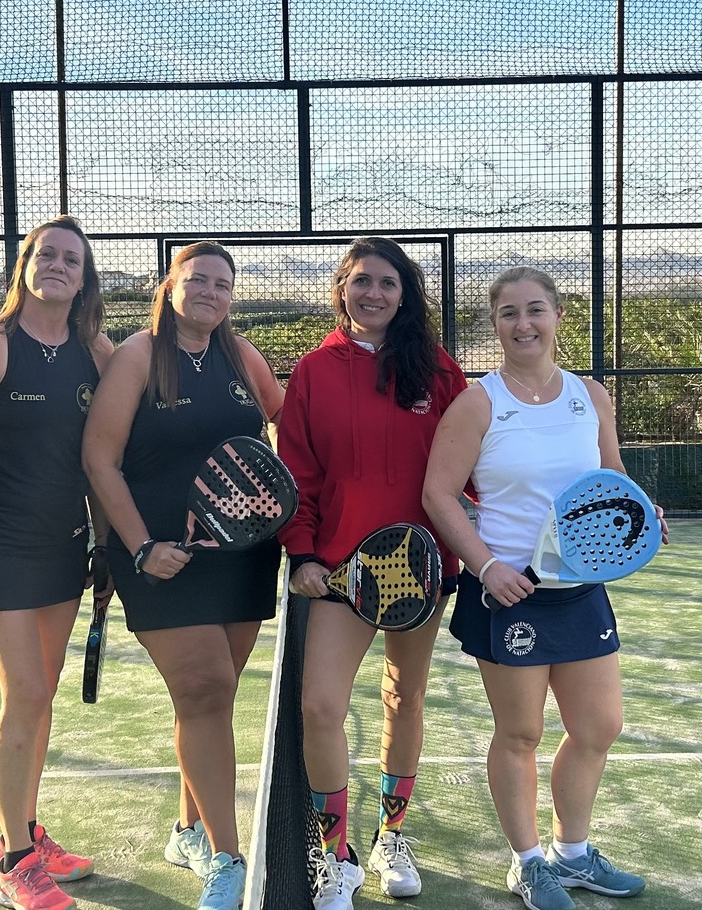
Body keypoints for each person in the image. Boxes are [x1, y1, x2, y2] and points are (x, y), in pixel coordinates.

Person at [421, 266, 664, 910]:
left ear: (557, 316)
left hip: (580, 589)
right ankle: (528, 864)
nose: (523, 324)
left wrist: (643, 514)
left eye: (535, 310)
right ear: (494, 323)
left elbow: (613, 476)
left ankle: (572, 854)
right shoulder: (478, 403)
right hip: (509, 594)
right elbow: (438, 494)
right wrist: (485, 567)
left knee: (599, 726)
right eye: (509, 313)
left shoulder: (591, 396)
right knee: (521, 733)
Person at [81, 240, 286, 910]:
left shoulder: (241, 355)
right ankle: (228, 859)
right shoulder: (138, 356)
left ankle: (186, 831)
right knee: (204, 690)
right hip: (160, 559)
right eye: (197, 279)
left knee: (209, 701)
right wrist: (141, 547)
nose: (210, 292)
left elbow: (292, 422)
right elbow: (100, 458)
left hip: (243, 556)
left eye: (222, 284)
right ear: (169, 287)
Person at [277, 238, 468, 908]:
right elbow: (298, 473)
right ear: (342, 290)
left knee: (403, 698)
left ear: (404, 294)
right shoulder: (313, 371)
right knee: (320, 706)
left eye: (387, 282)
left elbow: (472, 469)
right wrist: (303, 552)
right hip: (339, 573)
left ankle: (392, 836)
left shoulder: (439, 371)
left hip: (420, 569)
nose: (374, 293)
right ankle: (336, 857)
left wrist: (474, 543)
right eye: (361, 281)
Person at [0, 216, 116, 910]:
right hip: (0, 551)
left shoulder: (95, 351)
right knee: (27, 694)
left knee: (44, 695)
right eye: (47, 255)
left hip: (64, 549)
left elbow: (104, 457)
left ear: (84, 277)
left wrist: (106, 545)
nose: (58, 266)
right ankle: (13, 861)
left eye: (72, 259)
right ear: (26, 266)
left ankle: (29, 831)